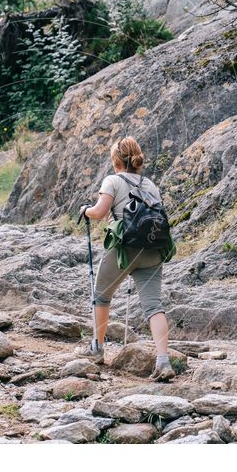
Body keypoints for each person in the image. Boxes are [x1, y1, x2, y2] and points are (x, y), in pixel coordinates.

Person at [76, 136, 175, 381]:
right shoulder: (151, 185)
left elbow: (99, 213)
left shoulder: (113, 180)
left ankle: (97, 349)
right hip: (151, 250)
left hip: (123, 249)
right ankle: (163, 361)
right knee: (154, 306)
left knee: (101, 296)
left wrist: (85, 211)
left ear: (116, 162)